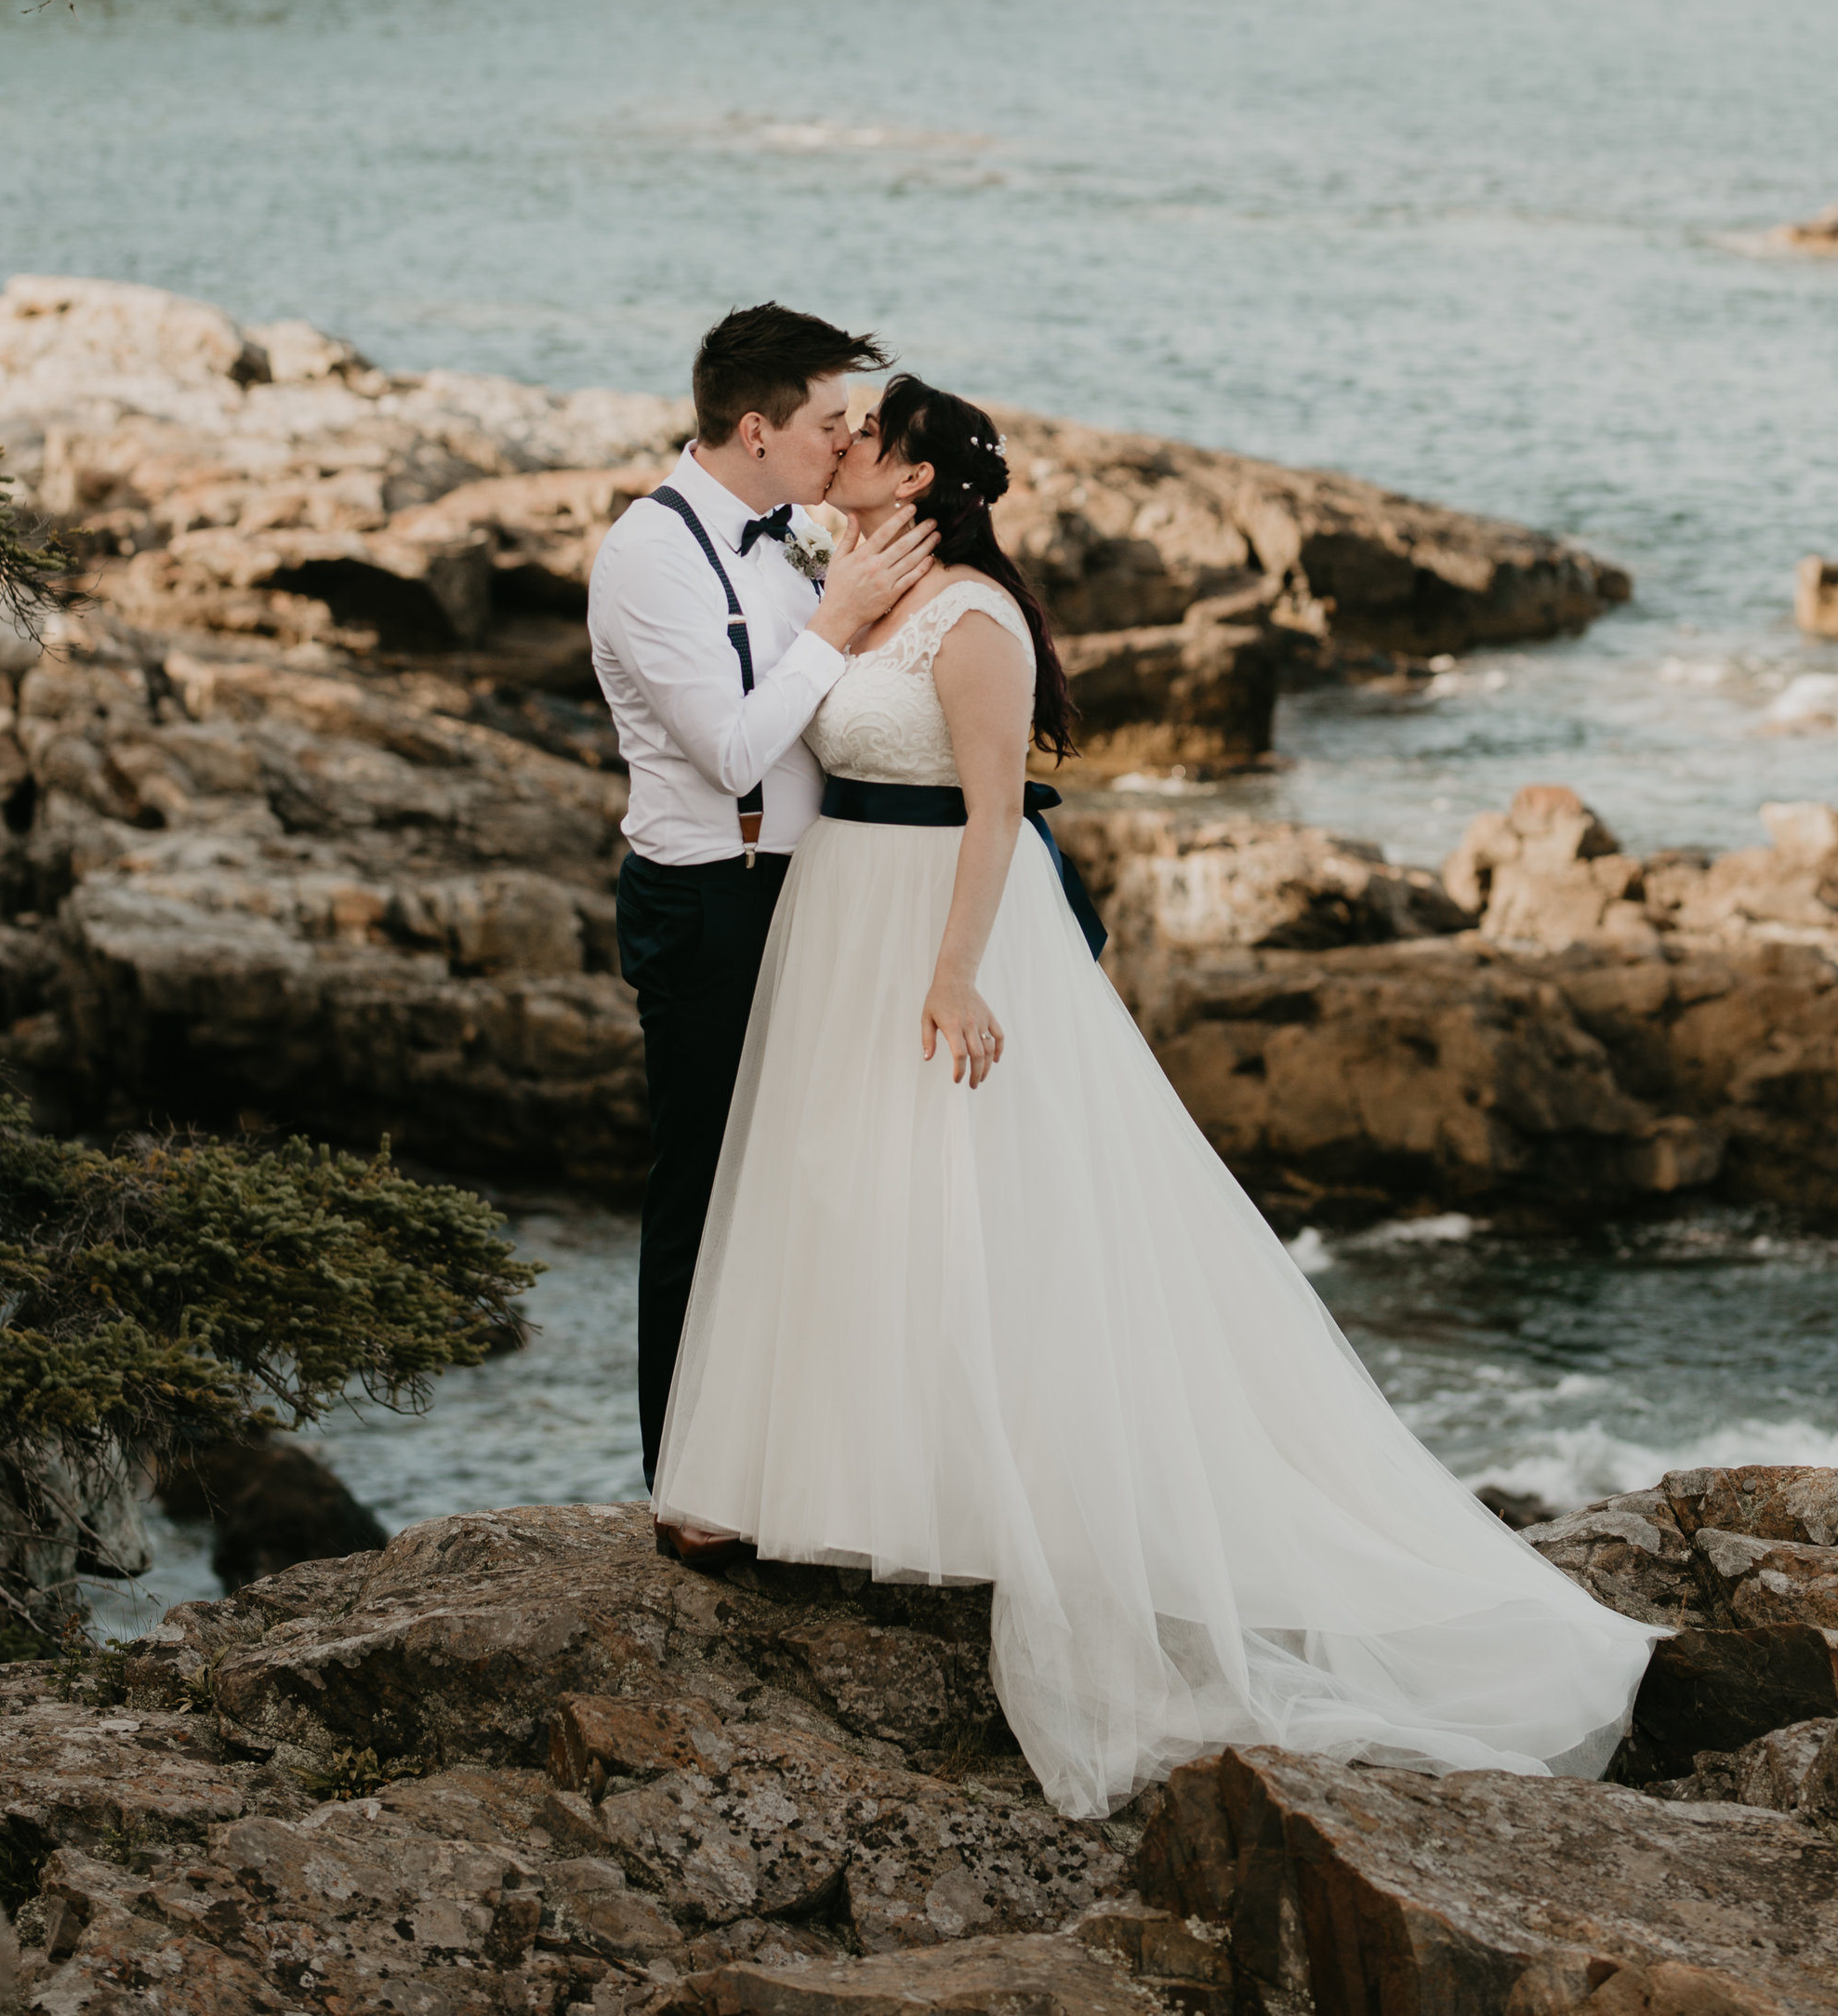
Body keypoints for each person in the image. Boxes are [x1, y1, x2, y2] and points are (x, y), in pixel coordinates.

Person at [653, 373, 1655, 1818]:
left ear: (921, 475)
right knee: (840, 1187)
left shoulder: (973, 618)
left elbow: (997, 814)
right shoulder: (851, 583)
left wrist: (954, 972)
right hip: (833, 918)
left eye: (868, 433)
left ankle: (1013, 1504)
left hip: (932, 923)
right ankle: (815, 1487)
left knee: (973, 1202)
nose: (841, 441)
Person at [587, 301, 939, 1536]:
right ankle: (686, 1485)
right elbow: (731, 739)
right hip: (707, 901)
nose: (846, 441)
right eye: (830, 421)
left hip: (812, 892)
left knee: (810, 1181)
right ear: (757, 426)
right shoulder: (649, 557)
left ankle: (789, 1462)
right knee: (705, 1182)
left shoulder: (794, 536)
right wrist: (837, 622)